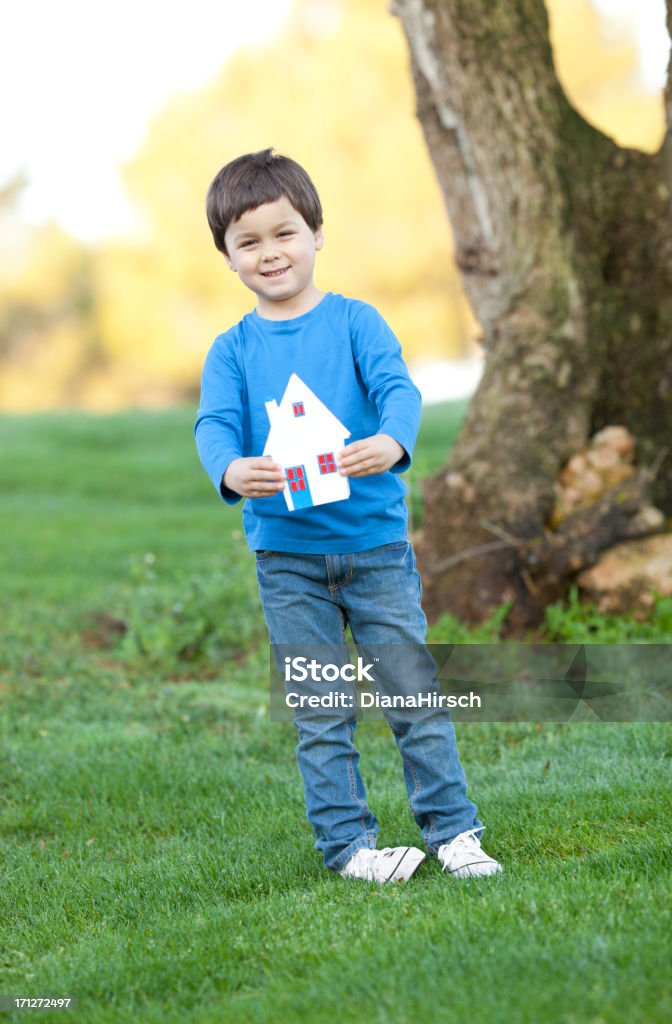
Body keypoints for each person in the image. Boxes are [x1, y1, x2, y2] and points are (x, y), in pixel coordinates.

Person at [194, 147, 502, 884]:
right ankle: (350, 849)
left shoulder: (357, 322)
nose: (270, 253)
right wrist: (232, 469)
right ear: (228, 257)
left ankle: (454, 832)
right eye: (249, 242)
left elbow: (400, 391)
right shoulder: (231, 350)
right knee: (321, 709)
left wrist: (392, 440)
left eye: (284, 232)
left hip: (376, 549)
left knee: (413, 698)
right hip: (287, 560)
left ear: (317, 233)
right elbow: (214, 426)